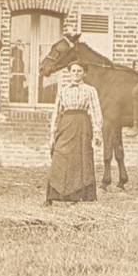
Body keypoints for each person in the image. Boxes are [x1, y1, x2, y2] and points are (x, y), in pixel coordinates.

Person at [46, 62, 103, 205]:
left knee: (80, 158)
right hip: (65, 125)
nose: (76, 74)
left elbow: (96, 112)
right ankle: (54, 195)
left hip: (82, 125)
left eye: (79, 71)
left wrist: (97, 133)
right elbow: (56, 113)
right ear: (69, 73)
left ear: (85, 73)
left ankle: (78, 195)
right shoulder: (63, 90)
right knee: (60, 156)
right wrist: (52, 135)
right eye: (73, 71)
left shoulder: (90, 90)